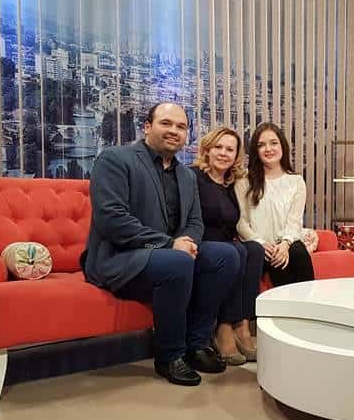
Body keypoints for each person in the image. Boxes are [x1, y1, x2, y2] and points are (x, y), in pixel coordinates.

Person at [82, 102, 240, 386]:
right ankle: (170, 355)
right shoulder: (115, 159)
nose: (174, 131)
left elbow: (195, 222)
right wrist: (169, 244)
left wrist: (187, 243)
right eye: (166, 123)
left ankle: (197, 344)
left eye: (181, 127)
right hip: (122, 258)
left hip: (169, 259)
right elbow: (112, 220)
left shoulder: (186, 175)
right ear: (147, 127)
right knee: (177, 261)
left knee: (226, 255)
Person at [193, 127, 265, 365]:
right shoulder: (194, 177)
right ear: (207, 150)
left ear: (236, 156)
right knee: (237, 251)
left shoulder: (231, 184)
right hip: (202, 244)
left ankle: (242, 324)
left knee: (254, 249)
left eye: (230, 150)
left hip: (227, 246)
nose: (223, 153)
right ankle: (223, 326)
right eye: (218, 147)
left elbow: (240, 221)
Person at [235, 122, 315, 287]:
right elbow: (241, 222)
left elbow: (294, 221)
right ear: (255, 151)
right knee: (270, 256)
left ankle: (308, 301)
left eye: (273, 143)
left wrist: (285, 244)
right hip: (257, 246)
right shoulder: (244, 181)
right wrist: (260, 243)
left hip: (286, 245)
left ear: (282, 146)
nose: (268, 149)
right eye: (261, 145)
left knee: (296, 251)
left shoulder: (296, 181)